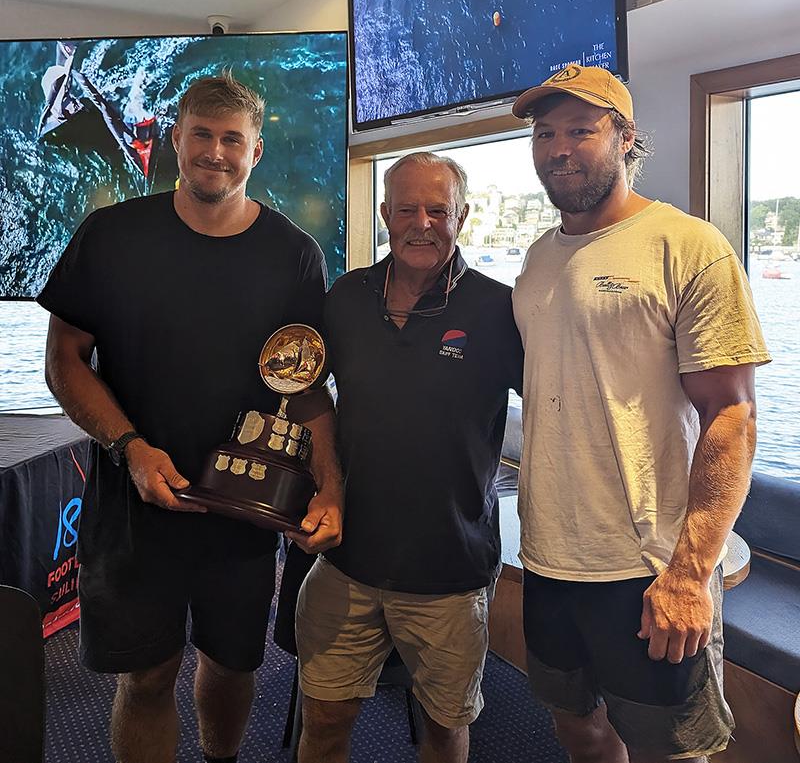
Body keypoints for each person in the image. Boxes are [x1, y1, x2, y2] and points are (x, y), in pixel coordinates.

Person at [37, 73, 343, 763]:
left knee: (235, 664)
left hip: (246, 503)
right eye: (200, 134)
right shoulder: (111, 236)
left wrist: (328, 484)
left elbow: (306, 383)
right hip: (134, 505)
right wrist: (131, 446)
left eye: (232, 138)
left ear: (256, 151)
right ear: (174, 138)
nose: (215, 151)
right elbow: (65, 361)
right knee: (146, 676)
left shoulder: (294, 254)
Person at [510, 65, 771, 763]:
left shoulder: (687, 245)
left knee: (670, 751)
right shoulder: (537, 260)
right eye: (544, 132)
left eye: (580, 129)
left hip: (649, 567)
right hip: (550, 558)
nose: (558, 148)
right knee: (579, 729)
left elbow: (733, 416)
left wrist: (689, 572)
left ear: (625, 137)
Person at [295, 152, 523, 763]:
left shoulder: (500, 310)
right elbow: (311, 389)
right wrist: (326, 485)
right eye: (406, 209)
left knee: (445, 730)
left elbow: (562, 406)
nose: (422, 223)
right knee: (322, 719)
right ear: (384, 214)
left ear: (463, 216)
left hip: (451, 567)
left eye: (438, 210)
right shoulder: (345, 297)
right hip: (348, 559)